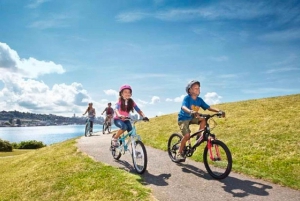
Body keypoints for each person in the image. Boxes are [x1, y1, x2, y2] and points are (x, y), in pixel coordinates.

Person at [176, 80, 225, 161]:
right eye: (195, 88)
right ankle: (179, 153)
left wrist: (218, 111)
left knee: (203, 120)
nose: (198, 89)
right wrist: (191, 111)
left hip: (192, 117)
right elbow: (183, 107)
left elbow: (208, 107)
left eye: (198, 88)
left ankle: (199, 136)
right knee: (187, 136)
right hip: (183, 118)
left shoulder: (199, 100)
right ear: (190, 90)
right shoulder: (187, 98)